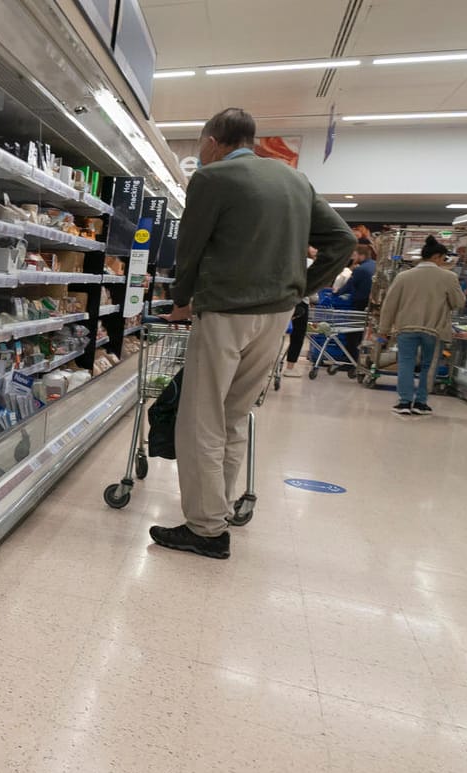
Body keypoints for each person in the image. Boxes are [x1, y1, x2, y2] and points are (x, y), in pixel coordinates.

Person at [155, 107, 354, 559]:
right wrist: (302, 289)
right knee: (234, 414)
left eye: (202, 145)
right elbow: (341, 240)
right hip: (276, 316)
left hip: (226, 312)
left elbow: (191, 246)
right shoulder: (294, 180)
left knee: (200, 419)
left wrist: (181, 299)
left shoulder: (210, 180)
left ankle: (205, 529)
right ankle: (219, 509)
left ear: (211, 141)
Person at [377, 234, 465, 416]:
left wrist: (383, 330)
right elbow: (458, 303)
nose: (444, 261)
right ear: (436, 257)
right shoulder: (449, 277)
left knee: (406, 363)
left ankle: (404, 402)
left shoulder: (404, 276)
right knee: (428, 366)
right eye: (443, 258)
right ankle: (421, 403)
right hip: (434, 329)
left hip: (406, 328)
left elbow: (389, 305)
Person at [337, 241, 376, 367]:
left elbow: (349, 286)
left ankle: (350, 360)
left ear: (361, 255)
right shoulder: (374, 265)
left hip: (358, 305)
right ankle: (355, 359)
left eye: (355, 254)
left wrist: (336, 293)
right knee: (359, 333)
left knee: (351, 334)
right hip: (369, 305)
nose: (353, 257)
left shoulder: (361, 269)